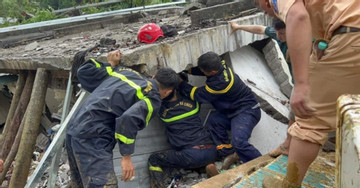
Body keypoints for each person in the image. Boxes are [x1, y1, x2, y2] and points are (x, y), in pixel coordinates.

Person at [254, 0, 360, 187]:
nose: (271, 14)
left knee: (311, 123)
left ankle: (289, 185)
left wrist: (301, 84)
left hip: (353, 37)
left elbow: (298, 16)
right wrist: (322, 43)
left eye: (265, 9)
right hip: (350, 32)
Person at [66, 49, 179, 187]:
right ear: (167, 92)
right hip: (93, 136)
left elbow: (83, 72)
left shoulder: (124, 72)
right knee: (104, 185)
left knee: (80, 184)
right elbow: (128, 119)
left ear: (154, 77)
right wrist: (126, 157)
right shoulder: (153, 98)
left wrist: (110, 63)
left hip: (74, 128)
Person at [179, 51, 262, 169]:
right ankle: (229, 154)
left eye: (203, 71)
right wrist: (187, 71)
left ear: (212, 72)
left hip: (247, 110)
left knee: (239, 142)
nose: (202, 72)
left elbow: (196, 94)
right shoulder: (219, 65)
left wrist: (180, 83)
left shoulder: (221, 83)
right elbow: (203, 71)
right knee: (214, 121)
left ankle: (262, 165)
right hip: (233, 110)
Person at [230, 18, 294, 158]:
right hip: (298, 83)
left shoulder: (302, 37)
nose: (279, 37)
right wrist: (238, 27)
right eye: (278, 33)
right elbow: (260, 29)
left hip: (312, 81)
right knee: (294, 115)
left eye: (283, 33)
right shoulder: (277, 34)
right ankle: (288, 145)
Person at [148, 87, 218, 188]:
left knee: (154, 159)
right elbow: (194, 93)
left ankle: (159, 186)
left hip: (191, 155)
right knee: (195, 162)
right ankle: (207, 168)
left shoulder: (163, 111)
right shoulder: (194, 104)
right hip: (211, 150)